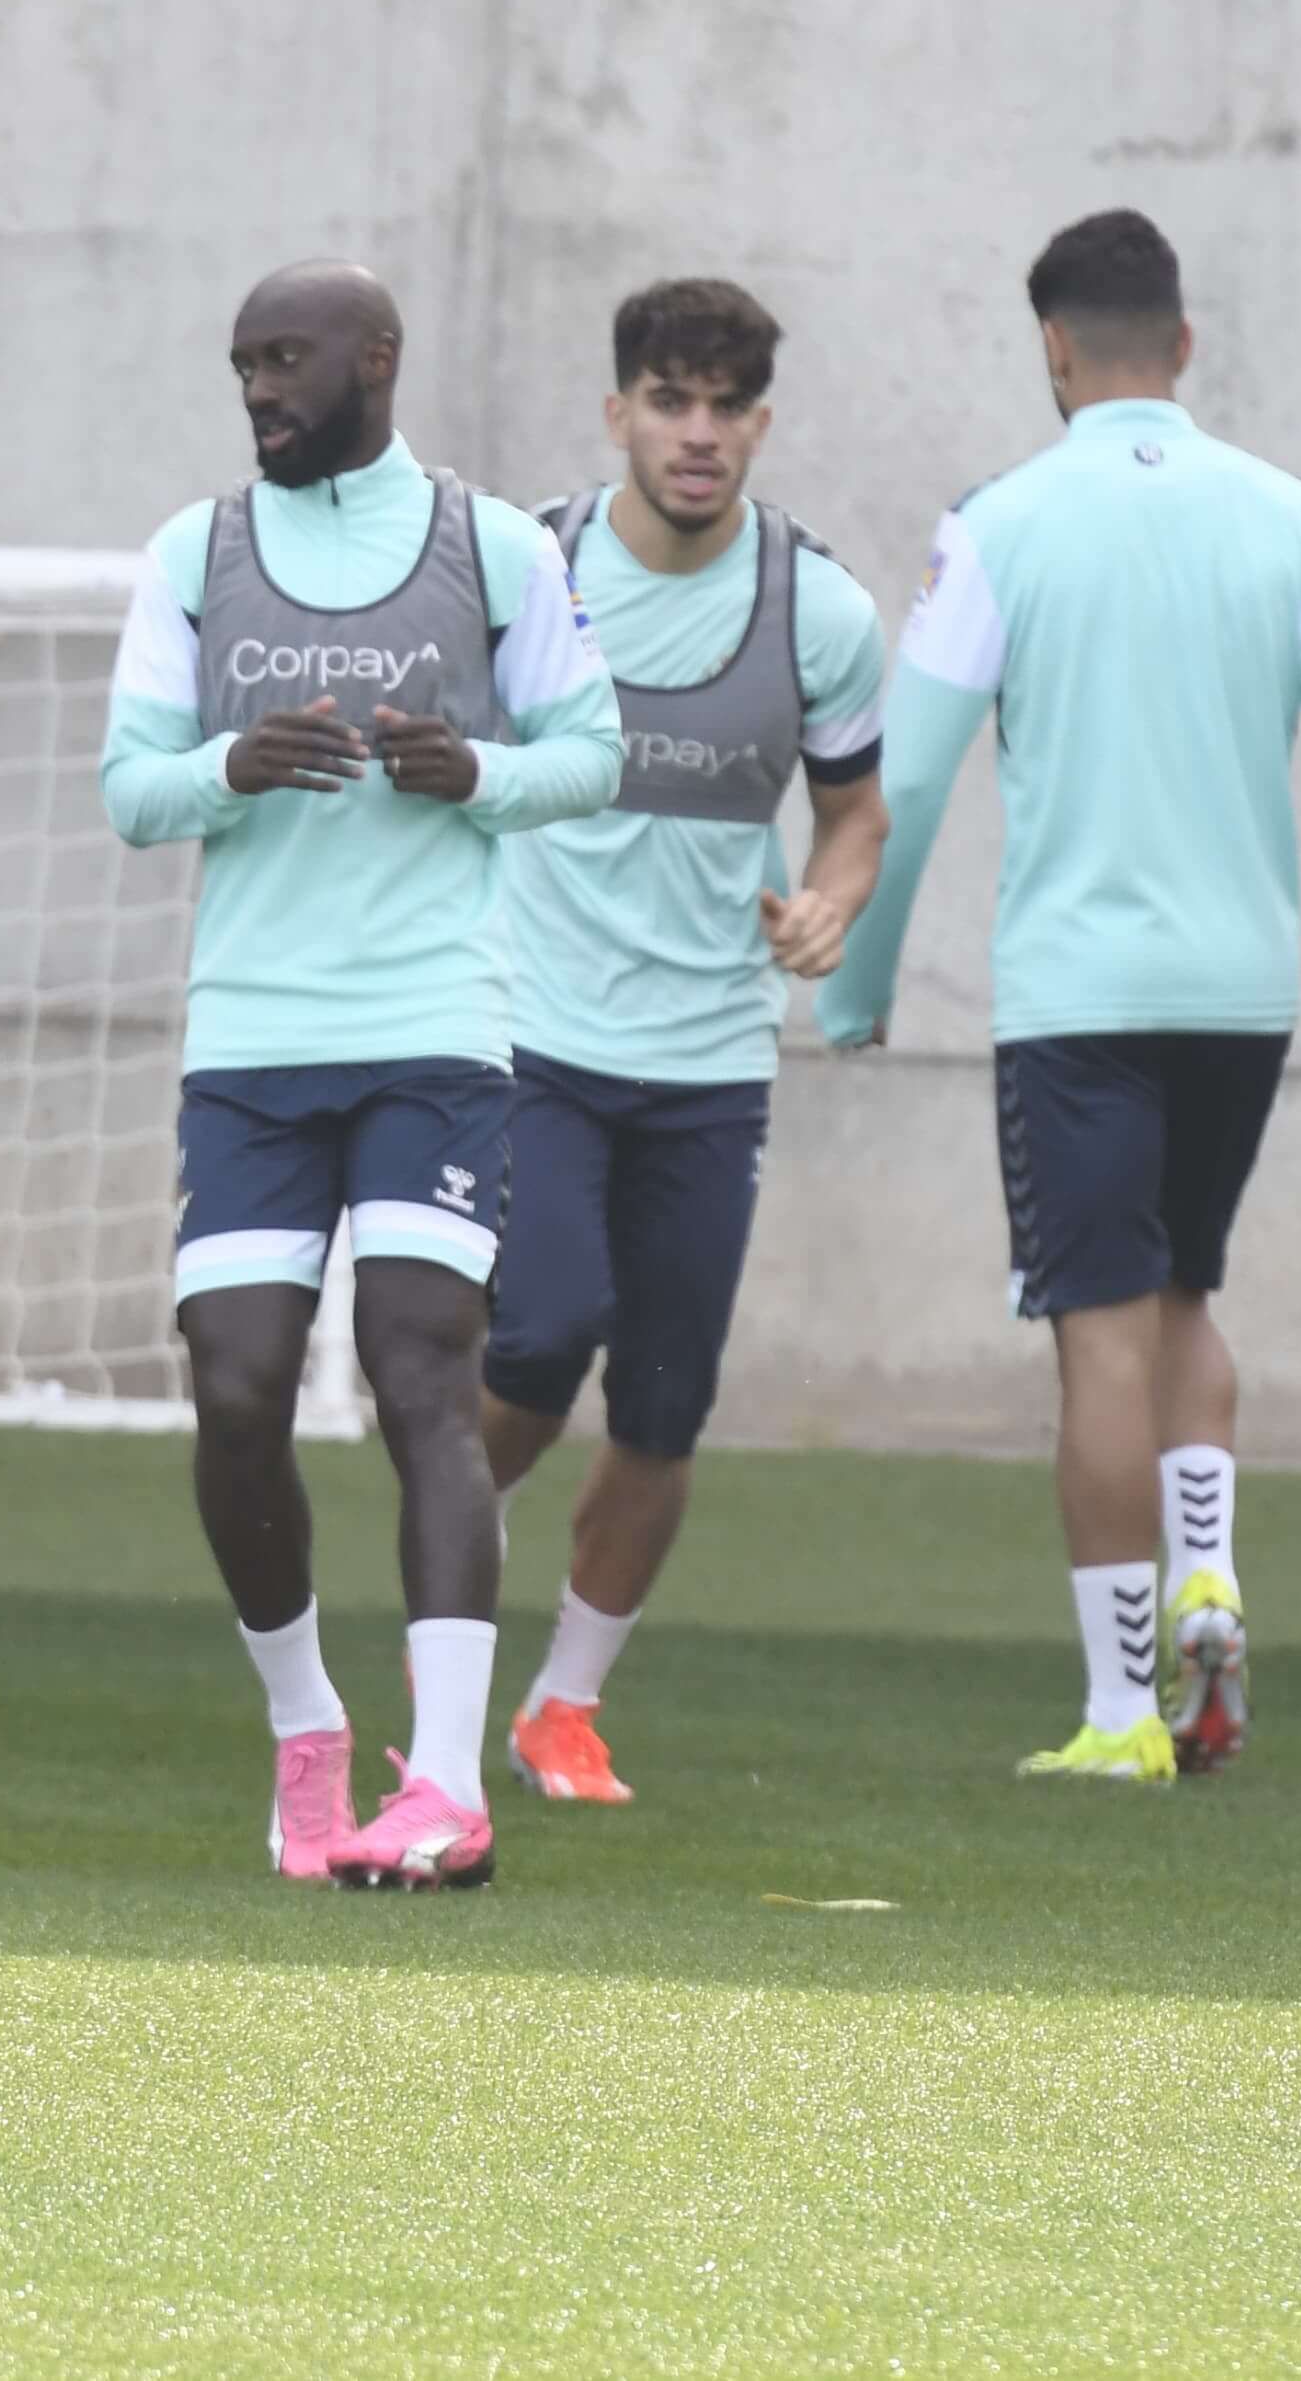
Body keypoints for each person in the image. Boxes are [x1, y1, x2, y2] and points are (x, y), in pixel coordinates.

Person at [822, 208, 1301, 1782]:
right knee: (1183, 1301)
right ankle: (1208, 1561)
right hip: (1239, 996)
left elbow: (916, 774)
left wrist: (857, 983)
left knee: (1094, 1339)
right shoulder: (1299, 515)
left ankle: (1116, 1711)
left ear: (1056, 351)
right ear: (1189, 345)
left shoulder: (997, 523)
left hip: (1078, 996)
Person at [101, 260, 619, 1889]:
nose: (258, 390)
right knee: (238, 1388)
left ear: (376, 360)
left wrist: (477, 773)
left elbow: (594, 754)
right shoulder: (194, 553)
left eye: (285, 361)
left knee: (421, 1376)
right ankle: (307, 1729)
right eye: (241, 362)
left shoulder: (502, 551)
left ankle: (449, 1786)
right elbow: (129, 791)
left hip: (433, 1035)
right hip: (251, 1047)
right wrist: (228, 768)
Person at [477, 279, 887, 1807]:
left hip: (711, 1057)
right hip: (531, 1030)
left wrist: (831, 909)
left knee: (664, 1396)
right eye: (668, 399)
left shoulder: (820, 611)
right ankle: (445, 1559)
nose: (697, 434)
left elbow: (855, 818)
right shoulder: (527, 569)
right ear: (617, 414)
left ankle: (562, 1707)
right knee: (541, 1325)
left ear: (761, 424)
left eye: (726, 407)